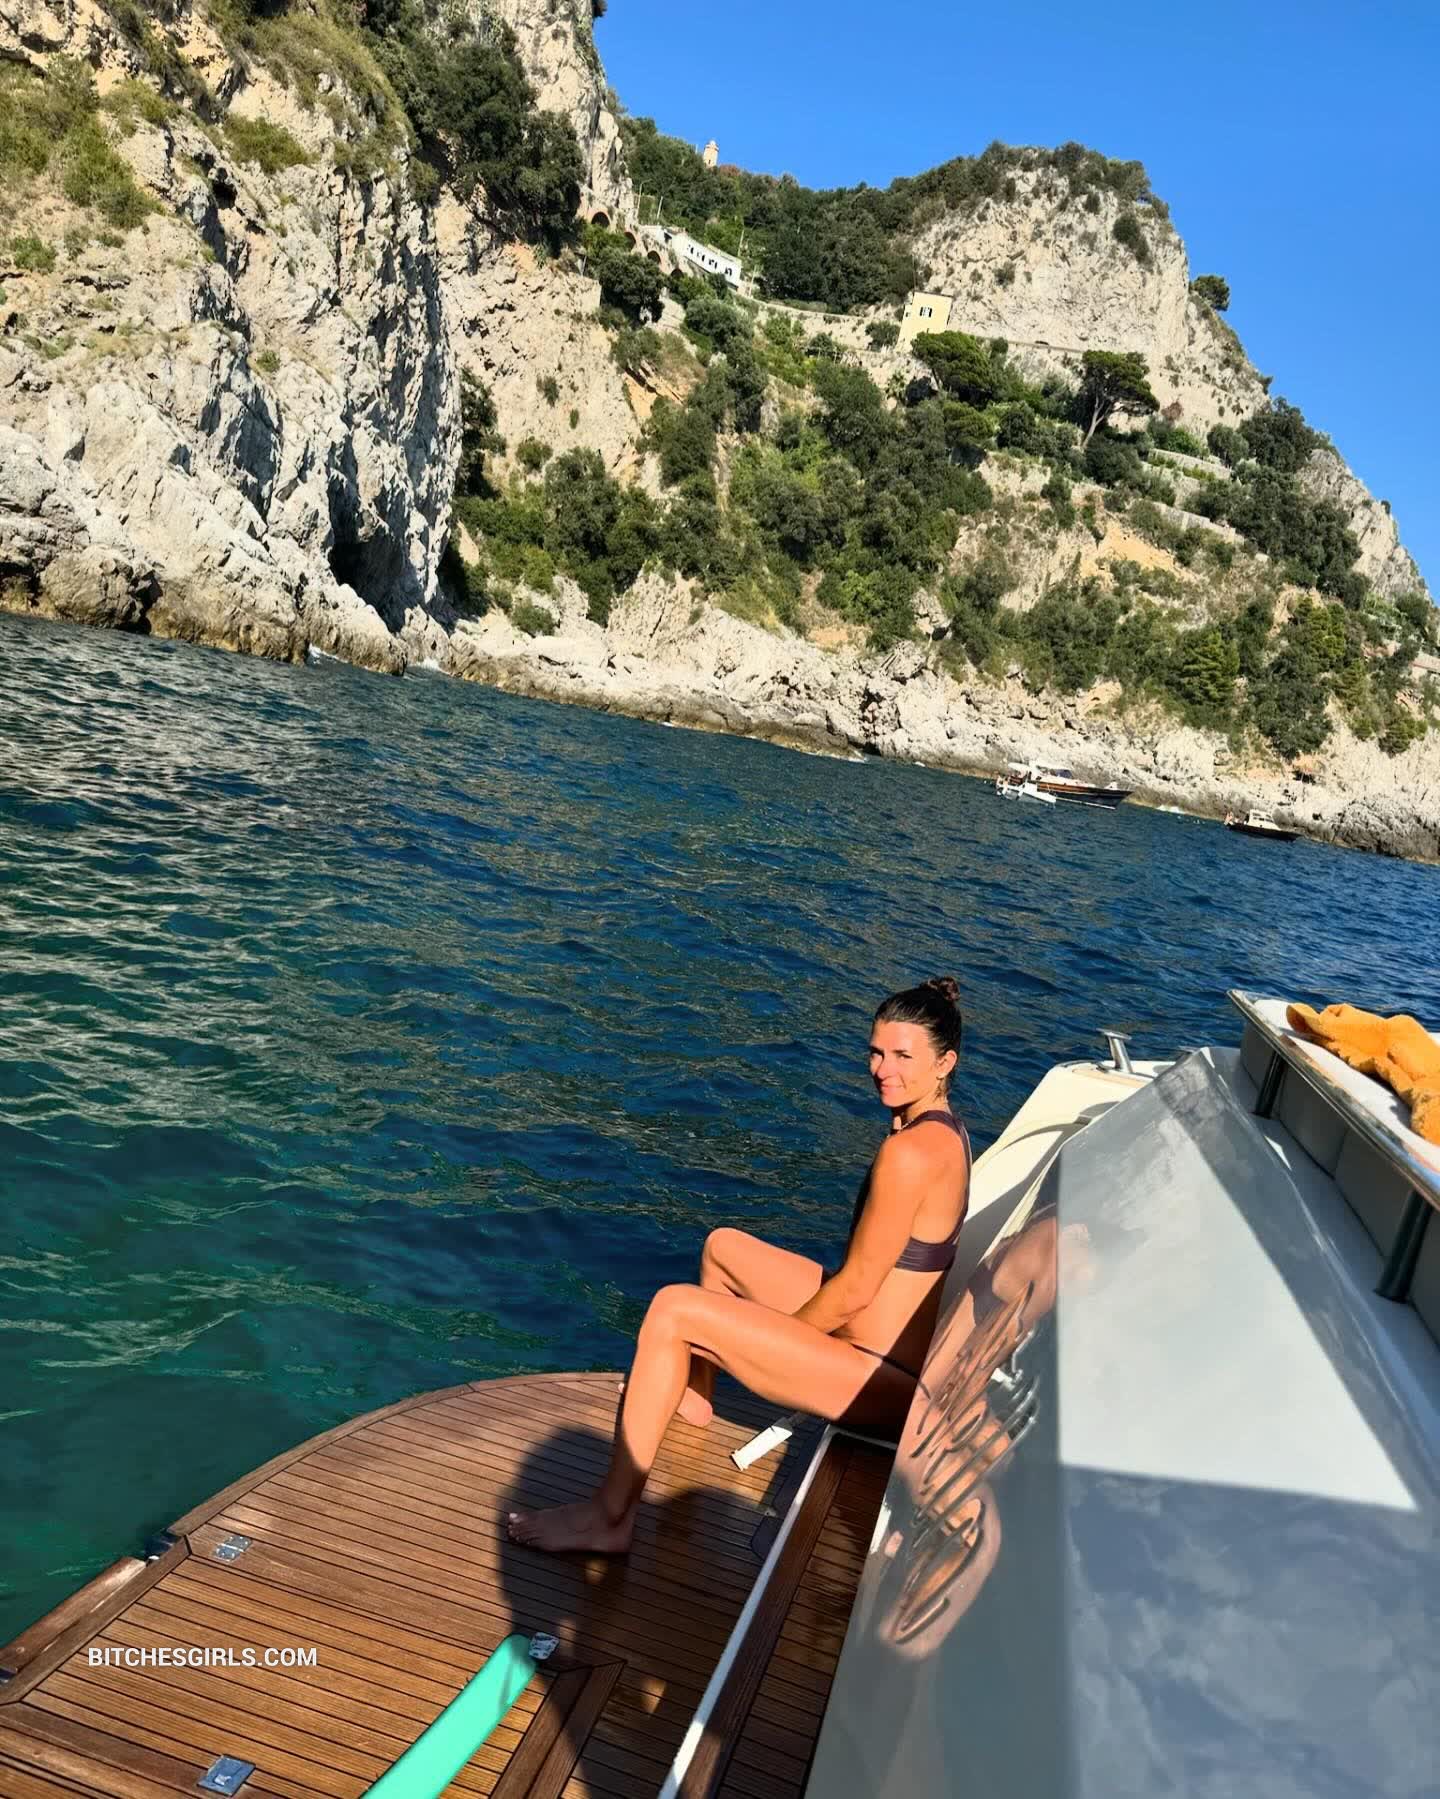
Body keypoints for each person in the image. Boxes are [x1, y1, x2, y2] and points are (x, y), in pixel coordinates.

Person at [507, 976, 973, 1555]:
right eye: (876, 1052)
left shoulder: (911, 1153)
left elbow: (855, 1290)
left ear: (944, 1062)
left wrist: (773, 1339)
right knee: (722, 1248)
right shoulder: (941, 1129)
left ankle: (609, 1518)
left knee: (673, 1310)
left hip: (878, 1378)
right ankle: (693, 1395)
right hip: (875, 1345)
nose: (882, 1070)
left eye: (903, 1057)